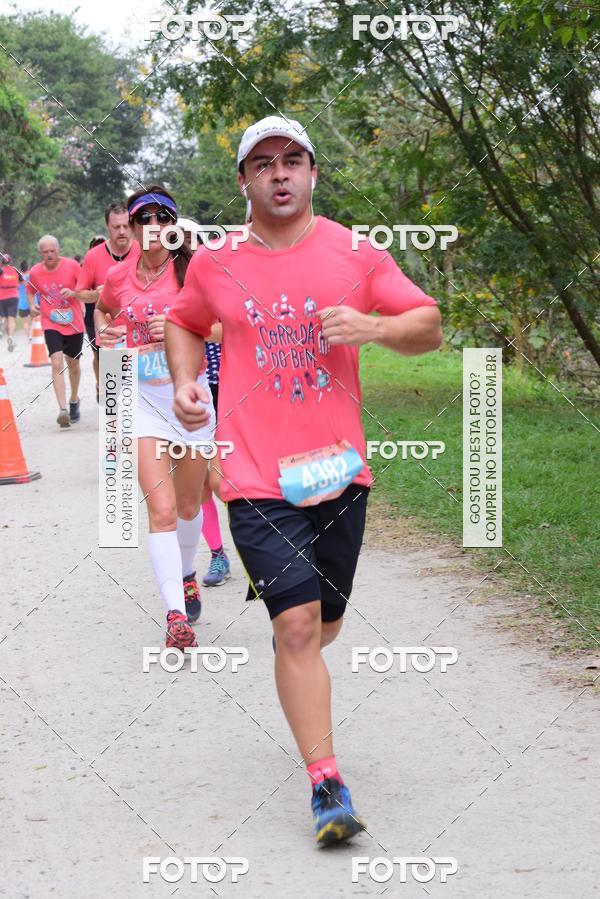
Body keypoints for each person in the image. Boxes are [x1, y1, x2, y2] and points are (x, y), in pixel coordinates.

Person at [165, 116, 442, 845]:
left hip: (338, 472)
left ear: (313, 173)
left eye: (293, 160)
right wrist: (188, 382)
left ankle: (302, 686)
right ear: (244, 181)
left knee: (324, 626)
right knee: (293, 627)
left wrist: (374, 329)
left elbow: (428, 322)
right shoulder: (215, 261)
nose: (279, 173)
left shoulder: (357, 252)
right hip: (254, 475)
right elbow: (184, 320)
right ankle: (327, 781)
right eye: (263, 163)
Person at [95, 185, 215, 649]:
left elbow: (226, 325)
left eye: (162, 220)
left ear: (172, 226)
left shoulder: (194, 271)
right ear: (133, 225)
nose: (152, 229)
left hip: (189, 400)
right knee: (161, 510)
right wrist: (104, 335)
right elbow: (105, 312)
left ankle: (188, 574)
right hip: (140, 400)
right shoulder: (118, 275)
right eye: (143, 220)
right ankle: (175, 615)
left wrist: (187, 327)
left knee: (188, 507)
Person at [71, 204, 140, 402]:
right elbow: (79, 293)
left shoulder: (143, 250)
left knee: (139, 392)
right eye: (116, 227)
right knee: (116, 397)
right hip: (110, 332)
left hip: (139, 330)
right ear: (107, 226)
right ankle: (114, 425)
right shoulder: (93, 256)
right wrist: (96, 295)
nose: (122, 231)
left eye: (126, 226)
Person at [27, 236, 83, 428]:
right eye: (45, 252)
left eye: (52, 251)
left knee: (73, 364)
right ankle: (62, 410)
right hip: (51, 322)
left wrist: (74, 293)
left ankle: (74, 400)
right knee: (57, 362)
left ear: (58, 250)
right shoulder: (35, 272)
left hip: (74, 321)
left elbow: (85, 287)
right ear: (40, 253)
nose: (50, 255)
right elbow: (30, 289)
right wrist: (32, 305)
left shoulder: (73, 266)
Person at [0, 253, 20, 352]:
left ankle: (2, 323)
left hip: (1, 297)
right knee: (11, 319)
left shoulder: (1, 270)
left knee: (5, 318)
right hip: (13, 296)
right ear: (10, 261)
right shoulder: (15, 270)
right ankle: (11, 336)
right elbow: (22, 281)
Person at [17, 260, 32, 342]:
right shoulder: (31, 276)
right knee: (31, 319)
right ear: (28, 267)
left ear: (21, 268)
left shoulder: (19, 277)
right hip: (31, 301)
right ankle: (32, 333)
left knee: (25, 322)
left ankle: (28, 337)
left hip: (22, 302)